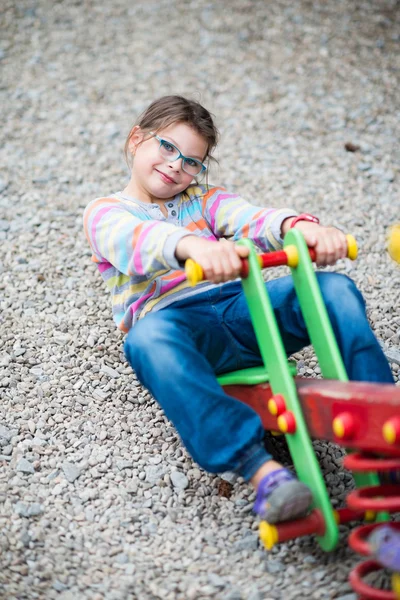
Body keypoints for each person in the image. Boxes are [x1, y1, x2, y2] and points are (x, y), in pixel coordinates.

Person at [83, 95, 394, 524]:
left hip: (240, 312)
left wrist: (299, 228)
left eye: (192, 161)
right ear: (137, 140)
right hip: (180, 327)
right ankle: (261, 471)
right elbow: (139, 240)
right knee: (146, 340)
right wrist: (191, 246)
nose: (177, 165)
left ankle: (383, 419)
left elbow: (249, 218)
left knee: (334, 289)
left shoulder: (203, 200)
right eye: (167, 147)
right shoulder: (106, 213)